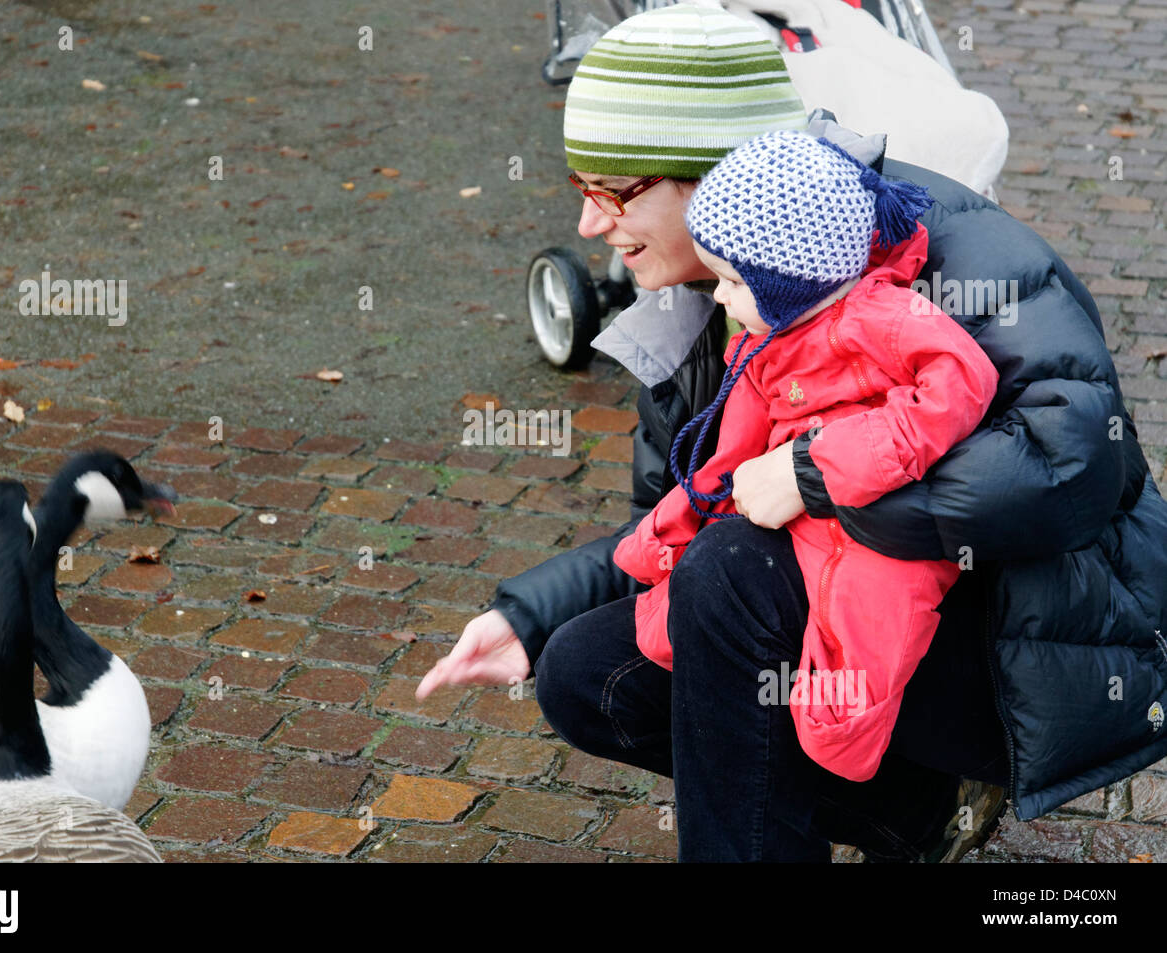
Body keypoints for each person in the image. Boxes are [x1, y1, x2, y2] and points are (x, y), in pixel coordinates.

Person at [418, 4, 1167, 862]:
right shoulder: (697, 300)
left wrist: (813, 475)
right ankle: (918, 811)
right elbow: (681, 510)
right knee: (585, 672)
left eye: (612, 192)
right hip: (838, 611)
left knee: (731, 573)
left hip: (1025, 646)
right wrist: (530, 612)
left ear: (709, 175)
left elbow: (1071, 469)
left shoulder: (945, 246)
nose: (589, 226)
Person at [613, 129, 999, 784]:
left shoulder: (881, 318)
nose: (719, 297)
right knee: (682, 607)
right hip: (794, 519)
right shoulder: (768, 341)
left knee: (868, 614)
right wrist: (678, 519)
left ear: (789, 282)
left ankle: (867, 741)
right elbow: (732, 451)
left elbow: (962, 383)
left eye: (733, 281)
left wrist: (834, 460)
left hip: (874, 523)